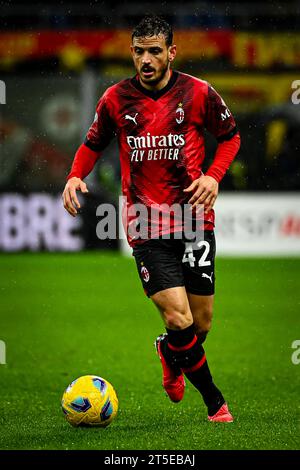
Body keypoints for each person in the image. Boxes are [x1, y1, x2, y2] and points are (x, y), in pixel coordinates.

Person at [62, 15, 240, 422]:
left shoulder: (198, 93)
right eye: (139, 51)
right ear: (131, 52)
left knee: (199, 323)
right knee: (178, 316)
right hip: (145, 222)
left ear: (171, 53)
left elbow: (231, 137)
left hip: (195, 218)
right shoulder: (115, 99)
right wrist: (75, 175)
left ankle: (168, 350)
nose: (146, 59)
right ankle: (216, 403)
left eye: (155, 51)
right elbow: (92, 144)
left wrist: (213, 177)